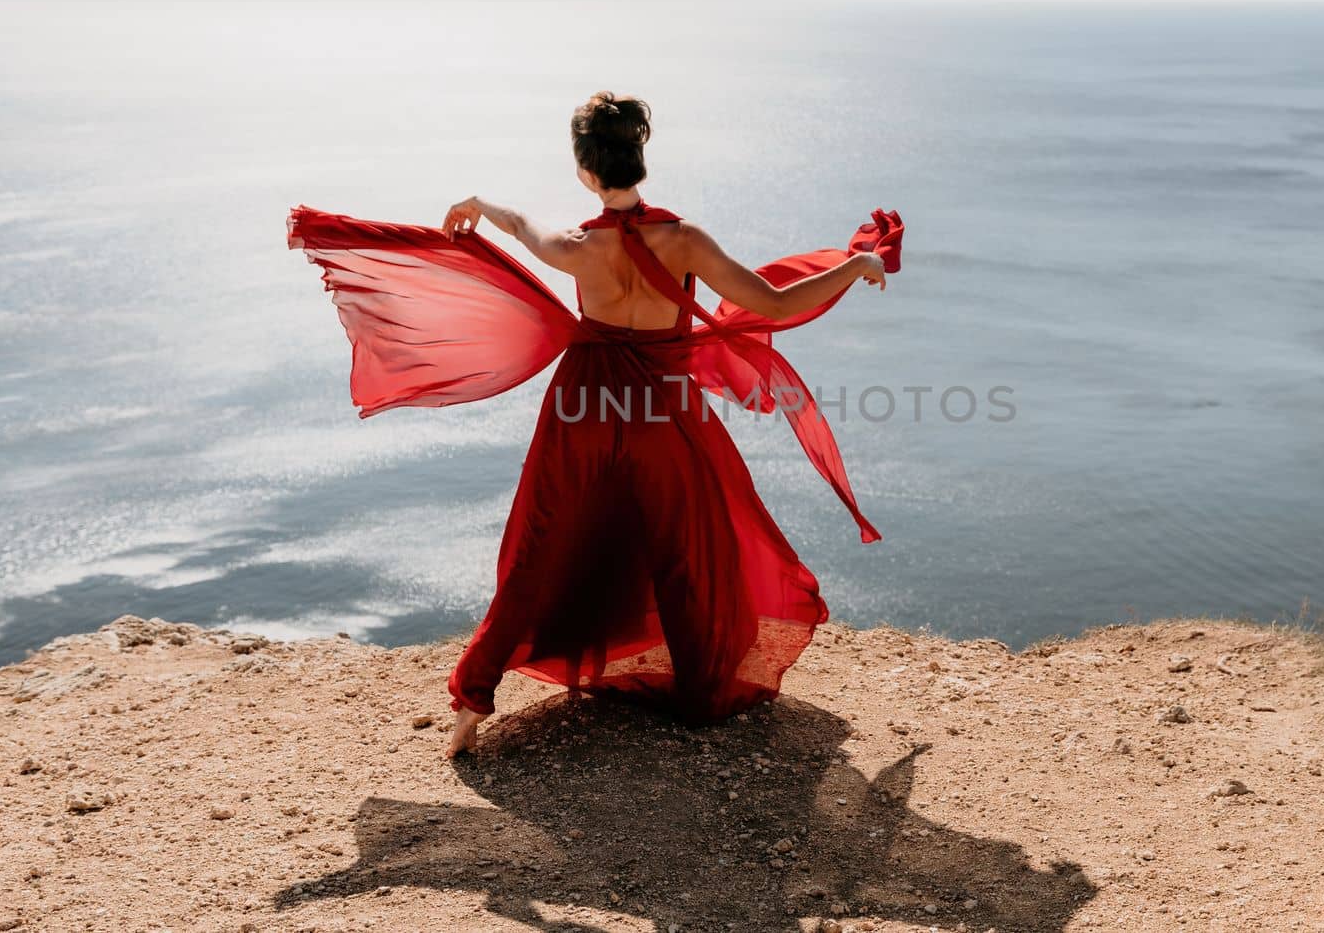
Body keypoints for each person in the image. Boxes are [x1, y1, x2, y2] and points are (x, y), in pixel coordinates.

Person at [286, 91, 902, 759]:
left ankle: (470, 700)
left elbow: (522, 226)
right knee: (684, 546)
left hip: (583, 407)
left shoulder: (580, 247)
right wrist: (856, 265)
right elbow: (775, 301)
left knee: (540, 547)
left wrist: (480, 207)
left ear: (585, 171)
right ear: (640, 160)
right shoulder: (685, 239)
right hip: (660, 413)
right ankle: (699, 691)